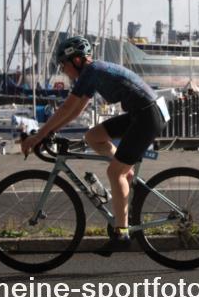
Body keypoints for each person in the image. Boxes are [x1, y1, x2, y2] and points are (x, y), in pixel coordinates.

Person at [20, 36, 168, 256]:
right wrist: (50, 131)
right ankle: (125, 172)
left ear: (76, 60)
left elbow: (67, 108)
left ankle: (122, 233)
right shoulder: (91, 72)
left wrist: (39, 136)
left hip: (148, 116)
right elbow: (76, 110)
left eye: (64, 65)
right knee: (93, 136)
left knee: (113, 172)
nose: (64, 70)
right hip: (142, 113)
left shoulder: (92, 71)